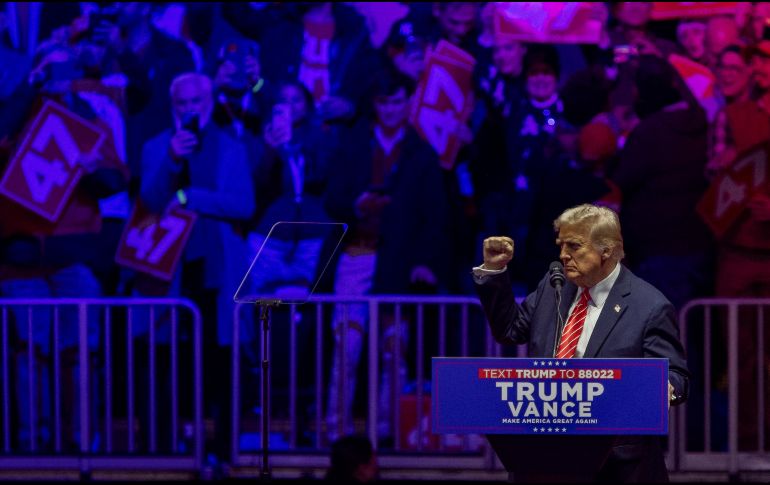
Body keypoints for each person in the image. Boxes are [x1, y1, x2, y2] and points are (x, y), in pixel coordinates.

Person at [473, 203, 690, 482]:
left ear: (607, 250)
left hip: (616, 466)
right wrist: (494, 270)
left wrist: (664, 387)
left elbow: (677, 377)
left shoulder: (650, 306)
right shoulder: (554, 286)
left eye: (574, 247)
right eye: (560, 245)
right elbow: (510, 330)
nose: (563, 256)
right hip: (542, 458)